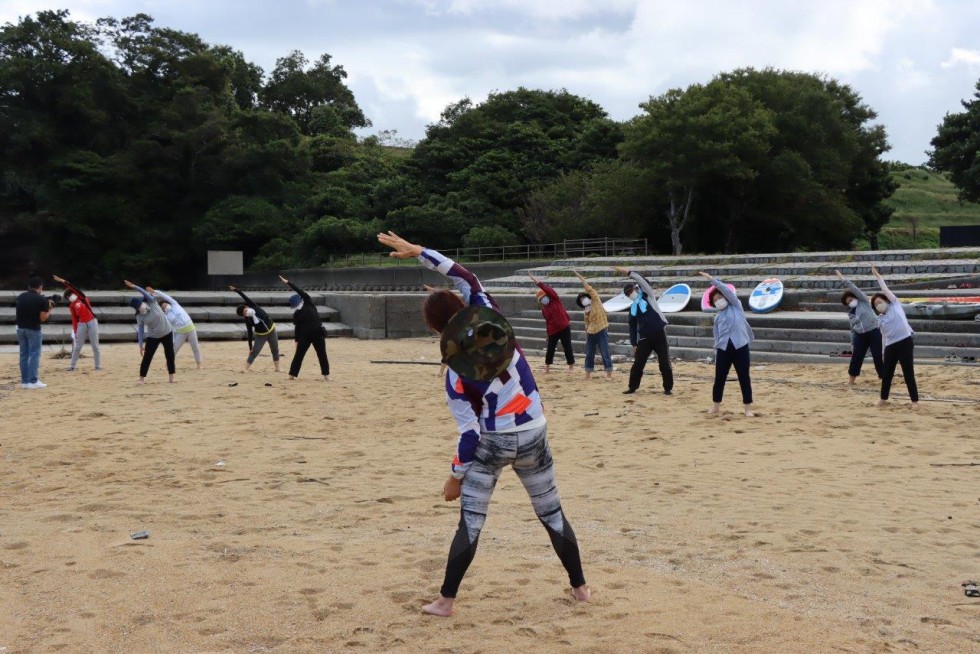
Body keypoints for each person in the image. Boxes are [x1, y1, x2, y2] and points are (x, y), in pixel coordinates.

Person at [378, 230, 590, 617]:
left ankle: (446, 600)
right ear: (465, 307)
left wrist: (455, 476)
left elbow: (470, 434)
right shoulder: (497, 322)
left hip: (494, 441)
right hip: (535, 430)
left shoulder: (456, 374)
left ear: (434, 330)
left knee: (472, 521)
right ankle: (580, 589)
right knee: (552, 512)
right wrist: (421, 251)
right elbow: (467, 277)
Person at [698, 272, 754, 417]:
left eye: (720, 297)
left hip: (740, 346)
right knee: (720, 378)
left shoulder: (736, 306)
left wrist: (713, 281)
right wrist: (716, 351)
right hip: (723, 349)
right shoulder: (718, 317)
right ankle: (716, 405)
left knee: (744, 377)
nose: (719, 300)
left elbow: (727, 291)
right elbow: (716, 336)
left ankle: (748, 408)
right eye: (716, 299)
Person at [614, 266, 673, 395]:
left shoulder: (649, 297)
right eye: (628, 293)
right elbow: (632, 327)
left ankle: (668, 388)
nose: (631, 294)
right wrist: (634, 344)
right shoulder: (633, 308)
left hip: (659, 334)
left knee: (664, 363)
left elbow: (642, 281)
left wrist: (629, 272)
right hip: (645, 338)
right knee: (638, 363)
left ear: (637, 289)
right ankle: (632, 387)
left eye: (632, 291)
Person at [870, 266, 919, 409]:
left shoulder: (895, 305)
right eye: (876, 304)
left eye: (880, 301)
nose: (879, 304)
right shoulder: (880, 319)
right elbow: (884, 336)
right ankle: (883, 399)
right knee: (887, 374)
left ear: (886, 300)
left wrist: (878, 276)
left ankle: (914, 401)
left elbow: (885, 289)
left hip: (905, 341)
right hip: (891, 345)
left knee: (908, 372)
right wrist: (884, 352)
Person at [835, 270, 883, 386]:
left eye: (851, 300)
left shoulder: (863, 301)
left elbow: (854, 288)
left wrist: (843, 279)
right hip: (860, 335)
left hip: (874, 331)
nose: (851, 303)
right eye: (848, 303)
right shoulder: (851, 313)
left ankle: (884, 377)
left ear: (855, 297)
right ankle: (851, 381)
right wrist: (852, 342)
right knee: (856, 357)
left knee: (877, 355)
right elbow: (852, 328)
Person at [278, 275, 329, 380]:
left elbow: (299, 291)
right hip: (304, 335)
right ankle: (292, 374)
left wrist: (288, 282)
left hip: (318, 333)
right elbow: (297, 327)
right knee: (299, 355)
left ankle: (326, 375)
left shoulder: (308, 302)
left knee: (322, 354)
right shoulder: (297, 314)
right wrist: (296, 340)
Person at [124, 280, 175, 384]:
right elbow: (141, 330)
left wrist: (134, 286)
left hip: (167, 332)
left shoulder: (151, 301)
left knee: (169, 355)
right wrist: (140, 344)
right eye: (139, 308)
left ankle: (172, 377)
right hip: (153, 336)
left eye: (141, 305)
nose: (141, 307)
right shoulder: (139, 316)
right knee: (147, 357)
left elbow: (144, 292)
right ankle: (141, 378)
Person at [52, 275, 102, 372]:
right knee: (77, 346)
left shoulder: (82, 298)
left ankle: (97, 366)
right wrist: (75, 332)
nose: (69, 298)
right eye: (67, 298)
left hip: (92, 321)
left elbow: (73, 288)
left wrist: (63, 281)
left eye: (69, 296)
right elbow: (74, 319)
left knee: (95, 345)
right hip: (82, 324)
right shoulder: (72, 306)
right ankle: (72, 366)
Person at [528, 273, 574, 373]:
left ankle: (571, 366)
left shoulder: (555, 300)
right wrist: (548, 334)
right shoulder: (544, 310)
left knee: (567, 346)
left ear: (547, 296)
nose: (543, 300)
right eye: (540, 300)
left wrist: (537, 282)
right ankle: (547, 367)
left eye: (543, 297)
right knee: (550, 349)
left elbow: (548, 289)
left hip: (564, 326)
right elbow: (548, 322)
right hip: (553, 330)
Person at [148, 287, 202, 369]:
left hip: (191, 328)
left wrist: (155, 292)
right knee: (174, 350)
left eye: (165, 305)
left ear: (168, 303)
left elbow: (165, 296)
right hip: (180, 332)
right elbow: (170, 328)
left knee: (195, 347)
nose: (165, 307)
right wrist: (172, 340)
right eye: (163, 308)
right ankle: (167, 365)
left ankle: (199, 364)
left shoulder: (175, 304)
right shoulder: (166, 316)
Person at [572, 271, 613, 380]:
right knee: (589, 353)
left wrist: (580, 277)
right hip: (591, 332)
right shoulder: (586, 310)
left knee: (605, 352)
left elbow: (589, 288)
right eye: (581, 300)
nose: (583, 300)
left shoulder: (595, 300)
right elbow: (586, 323)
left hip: (601, 329)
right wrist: (587, 333)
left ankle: (609, 373)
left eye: (583, 298)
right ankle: (587, 374)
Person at [230, 285, 281, 372]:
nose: (246, 313)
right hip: (260, 335)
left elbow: (245, 297)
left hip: (271, 329)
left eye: (245, 310)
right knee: (254, 352)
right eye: (244, 313)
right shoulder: (248, 319)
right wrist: (250, 346)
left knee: (275, 349)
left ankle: (277, 368)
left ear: (246, 307)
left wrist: (236, 290)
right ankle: (246, 369)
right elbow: (249, 332)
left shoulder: (254, 306)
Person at [15, 277, 52, 389]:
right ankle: (33, 380)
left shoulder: (21, 297)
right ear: (40, 287)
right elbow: (43, 318)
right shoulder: (41, 300)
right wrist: (50, 309)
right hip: (33, 329)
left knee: (23, 355)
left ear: (29, 287)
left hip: (20, 328)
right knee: (34, 354)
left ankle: (25, 381)